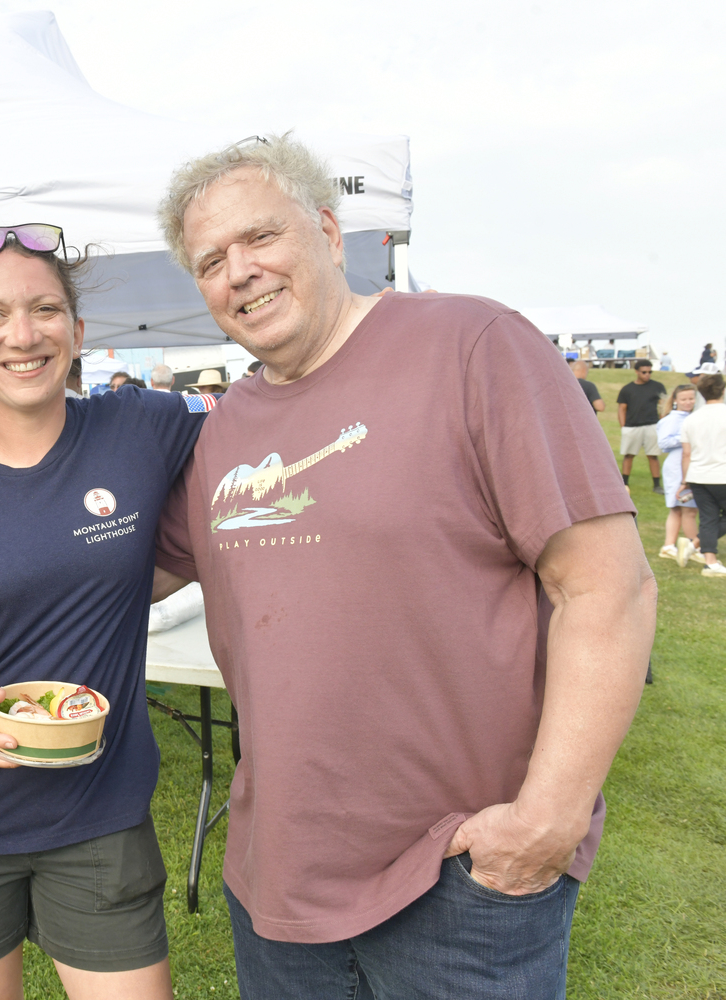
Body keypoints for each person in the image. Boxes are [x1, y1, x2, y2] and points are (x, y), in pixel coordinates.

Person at [151, 133, 653, 998]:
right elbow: (123, 578)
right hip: (279, 888)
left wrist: (548, 821)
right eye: (211, 260)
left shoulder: (473, 344)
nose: (239, 271)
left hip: (458, 881)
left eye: (261, 237)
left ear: (329, 231)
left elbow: (606, 586)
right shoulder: (223, 430)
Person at [0, 223, 205, 1000]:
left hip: (98, 812)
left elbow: (268, 446)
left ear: (78, 331)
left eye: (43, 310)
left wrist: (160, 573)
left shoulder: (145, 429)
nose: (22, 335)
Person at [682, 372, 726, 578]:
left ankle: (708, 559)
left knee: (709, 518)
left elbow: (687, 453)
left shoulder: (691, 419)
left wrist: (684, 481)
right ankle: (702, 552)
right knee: (711, 520)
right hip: (722, 475)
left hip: (698, 476)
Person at [657, 383, 699, 566]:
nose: (688, 402)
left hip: (686, 465)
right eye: (684, 399)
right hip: (677, 467)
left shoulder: (690, 417)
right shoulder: (673, 419)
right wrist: (687, 437)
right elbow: (664, 442)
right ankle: (695, 547)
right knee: (688, 508)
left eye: (691, 398)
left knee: (677, 508)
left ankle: (668, 545)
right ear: (675, 400)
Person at [617, 360, 668, 492]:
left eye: (650, 372)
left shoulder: (657, 386)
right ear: (636, 372)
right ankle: (624, 484)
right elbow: (622, 408)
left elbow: (663, 406)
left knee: (653, 455)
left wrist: (661, 422)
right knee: (628, 455)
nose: (647, 375)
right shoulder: (627, 389)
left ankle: (657, 485)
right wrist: (624, 427)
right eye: (644, 372)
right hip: (632, 426)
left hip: (652, 425)